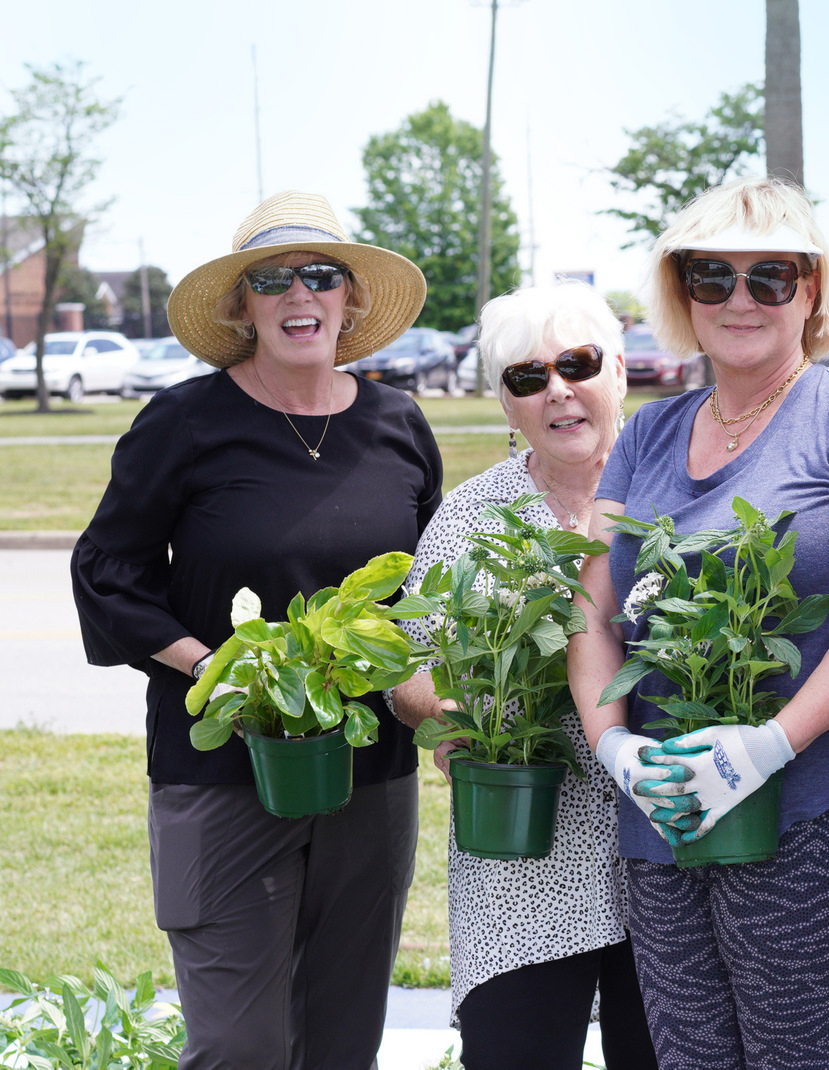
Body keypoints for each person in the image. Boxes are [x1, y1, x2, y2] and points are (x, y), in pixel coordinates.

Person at [71, 191, 440, 1068]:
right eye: (273, 279)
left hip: (370, 773)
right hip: (222, 773)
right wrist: (221, 670)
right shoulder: (187, 422)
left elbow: (428, 591)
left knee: (343, 1041)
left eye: (321, 276)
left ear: (349, 301)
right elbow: (107, 572)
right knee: (239, 1047)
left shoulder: (397, 424)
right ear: (243, 306)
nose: (298, 294)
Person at [565, 175, 829, 1070]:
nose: (740, 298)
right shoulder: (647, 434)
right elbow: (591, 611)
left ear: (810, 290)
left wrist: (766, 746)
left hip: (808, 804)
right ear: (682, 295)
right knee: (688, 1059)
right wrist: (616, 750)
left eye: (772, 275)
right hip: (663, 807)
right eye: (712, 275)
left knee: (791, 1058)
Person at [389, 282, 656, 1070]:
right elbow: (407, 662)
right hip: (522, 875)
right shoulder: (474, 517)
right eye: (527, 377)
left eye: (577, 363)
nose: (558, 391)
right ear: (507, 405)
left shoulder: (673, 493)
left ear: (619, 374)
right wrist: (444, 713)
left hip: (668, 858)